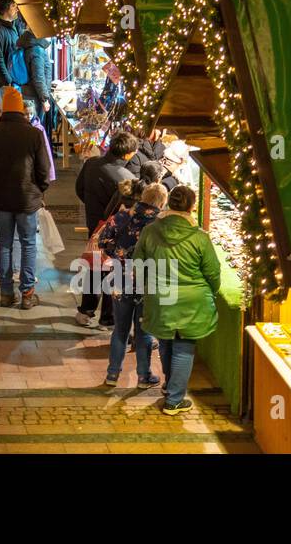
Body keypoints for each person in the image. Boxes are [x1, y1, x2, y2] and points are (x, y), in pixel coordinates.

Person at [132, 185, 221, 415]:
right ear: (192, 206)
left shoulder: (151, 231)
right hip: (191, 303)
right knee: (184, 346)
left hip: (160, 297)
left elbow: (138, 263)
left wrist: (147, 288)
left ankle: (170, 387)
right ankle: (174, 399)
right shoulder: (200, 237)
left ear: (169, 204)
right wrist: (212, 290)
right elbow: (212, 272)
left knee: (166, 341)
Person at [0, 87, 52, 309]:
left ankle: (6, 293)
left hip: (1, 199)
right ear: (21, 109)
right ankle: (27, 293)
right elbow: (44, 170)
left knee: (4, 243)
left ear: (2, 108)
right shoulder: (35, 134)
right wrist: (38, 190)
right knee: (28, 244)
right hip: (27, 199)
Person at [99, 182, 168, 389]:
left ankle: (112, 374)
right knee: (144, 330)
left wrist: (118, 254)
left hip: (120, 277)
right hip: (147, 282)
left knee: (120, 330)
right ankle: (143, 376)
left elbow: (103, 241)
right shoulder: (161, 224)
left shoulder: (122, 216)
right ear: (162, 202)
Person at [74, 129, 141, 327]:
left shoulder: (91, 164)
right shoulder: (126, 177)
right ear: (128, 153)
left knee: (94, 267)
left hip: (94, 224)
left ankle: (86, 311)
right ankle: (107, 316)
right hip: (115, 230)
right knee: (113, 270)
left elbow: (80, 189)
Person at [0, 0, 27, 105]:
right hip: (4, 83)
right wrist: (8, 83)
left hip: (14, 79)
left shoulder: (13, 24)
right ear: (5, 9)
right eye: (14, 6)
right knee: (11, 113)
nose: (17, 9)